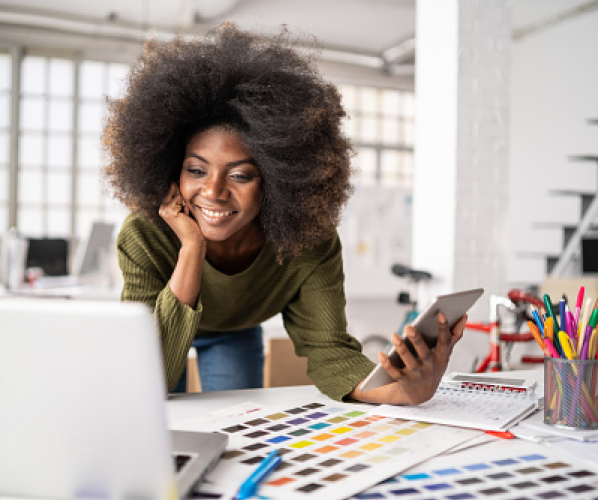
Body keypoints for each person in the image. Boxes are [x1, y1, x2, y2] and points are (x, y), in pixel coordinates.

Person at [103, 23, 467, 404]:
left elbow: (330, 351)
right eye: (196, 170)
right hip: (161, 328)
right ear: (171, 168)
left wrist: (402, 391)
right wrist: (191, 248)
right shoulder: (145, 233)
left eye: (241, 175)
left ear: (277, 180)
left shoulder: (307, 239)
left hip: (236, 329)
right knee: (152, 416)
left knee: (236, 431)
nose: (212, 192)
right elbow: (146, 373)